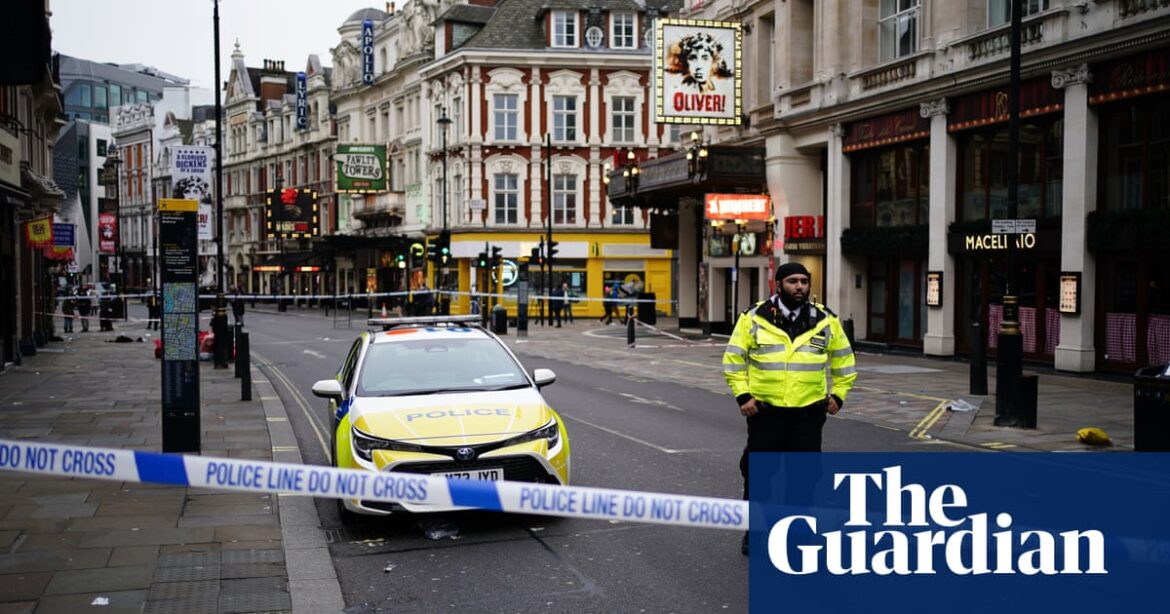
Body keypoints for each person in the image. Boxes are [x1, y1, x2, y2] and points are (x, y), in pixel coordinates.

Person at [721, 262, 857, 556]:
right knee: (758, 477)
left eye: (804, 282)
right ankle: (754, 532)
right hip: (765, 412)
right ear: (778, 284)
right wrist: (743, 396)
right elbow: (733, 359)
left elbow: (845, 362)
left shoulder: (824, 320)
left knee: (804, 478)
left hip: (808, 414)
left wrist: (839, 395)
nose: (800, 287)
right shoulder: (753, 318)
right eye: (793, 281)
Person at [666, 31, 734, 93]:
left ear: (713, 61)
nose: (699, 66)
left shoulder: (722, 88)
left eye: (705, 58)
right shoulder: (680, 89)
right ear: (686, 62)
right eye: (692, 58)